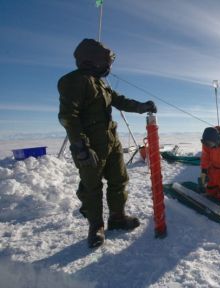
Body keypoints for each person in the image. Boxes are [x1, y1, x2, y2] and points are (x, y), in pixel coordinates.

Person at [58, 39, 157, 248]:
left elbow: (118, 100)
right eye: (105, 62)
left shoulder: (101, 83)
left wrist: (140, 106)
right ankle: (96, 227)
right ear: (91, 61)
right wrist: (80, 146)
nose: (109, 67)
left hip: (110, 141)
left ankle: (117, 218)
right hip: (89, 146)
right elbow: (69, 116)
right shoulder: (74, 81)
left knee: (119, 179)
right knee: (91, 187)